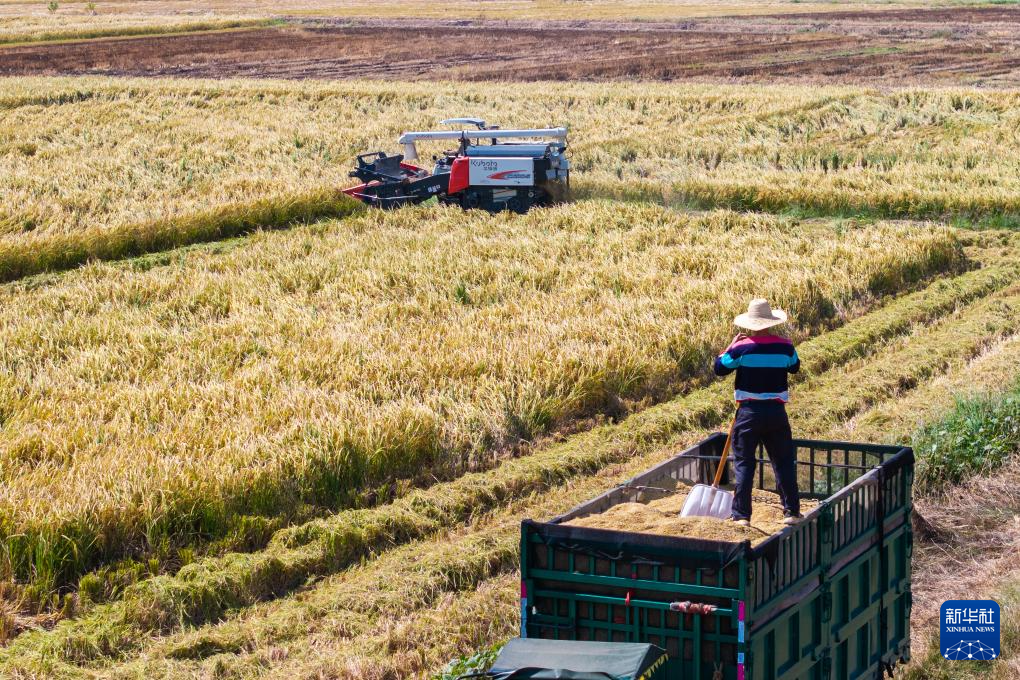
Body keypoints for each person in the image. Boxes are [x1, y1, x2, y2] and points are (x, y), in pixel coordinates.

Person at [712, 299, 802, 527]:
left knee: (744, 464)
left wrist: (730, 347)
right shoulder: (785, 346)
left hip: (748, 413)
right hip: (776, 412)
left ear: (750, 323)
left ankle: (742, 516)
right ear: (771, 322)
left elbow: (719, 369)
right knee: (782, 461)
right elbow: (795, 367)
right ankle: (791, 511)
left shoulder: (741, 348)